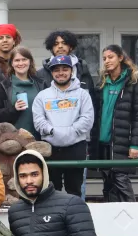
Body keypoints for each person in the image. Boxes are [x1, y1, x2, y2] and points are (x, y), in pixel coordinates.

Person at [9, 150, 97, 236]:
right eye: (23, 176)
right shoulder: (15, 211)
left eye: (34, 174)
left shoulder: (71, 203)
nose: (29, 181)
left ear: (44, 174)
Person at [91, 45, 138, 202]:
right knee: (107, 182)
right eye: (104, 59)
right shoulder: (102, 83)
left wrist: (135, 145)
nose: (107, 61)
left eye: (111, 57)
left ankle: (132, 215)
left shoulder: (134, 82)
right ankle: (112, 215)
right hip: (102, 141)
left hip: (121, 141)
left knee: (121, 180)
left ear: (120, 58)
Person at [32, 55, 94, 198]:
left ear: (71, 71)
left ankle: (75, 218)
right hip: (51, 148)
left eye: (65, 69)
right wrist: (52, 131)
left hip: (76, 147)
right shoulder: (42, 96)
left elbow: (87, 119)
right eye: (56, 70)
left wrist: (70, 132)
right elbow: (39, 120)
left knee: (75, 190)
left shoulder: (82, 94)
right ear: (51, 73)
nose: (61, 73)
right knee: (52, 190)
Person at [0, 46, 45, 139]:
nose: (21, 63)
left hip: (39, 139)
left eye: (24, 59)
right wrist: (13, 109)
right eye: (17, 60)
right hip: (13, 142)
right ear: (11, 63)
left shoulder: (41, 84)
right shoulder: (3, 87)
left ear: (30, 61)